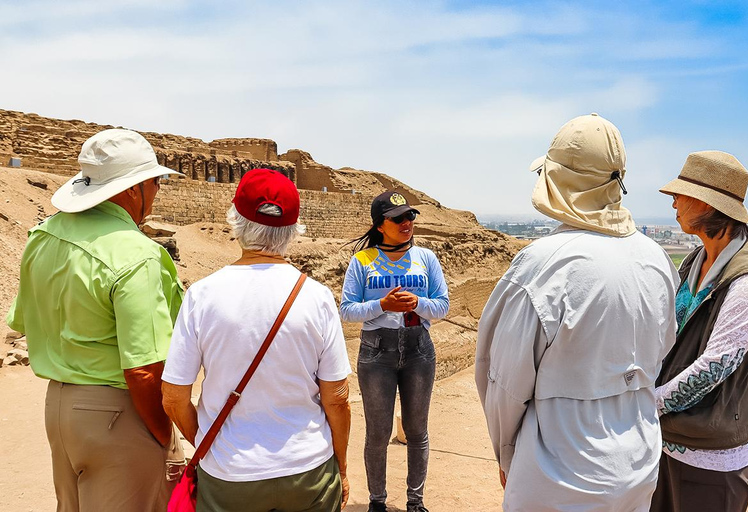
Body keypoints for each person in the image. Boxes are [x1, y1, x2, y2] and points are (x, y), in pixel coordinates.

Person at [475, 113, 679, 511]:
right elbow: (662, 350)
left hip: (559, 472)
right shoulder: (656, 259)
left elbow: (504, 383)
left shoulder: (543, 264)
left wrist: (506, 453)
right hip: (638, 461)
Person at [6, 129, 186, 511]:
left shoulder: (42, 235)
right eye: (155, 182)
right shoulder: (137, 254)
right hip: (120, 415)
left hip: (59, 409)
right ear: (132, 189)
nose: (157, 192)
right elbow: (143, 369)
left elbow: (23, 320)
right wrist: (163, 436)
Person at [161, 168, 352, 512]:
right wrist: (341, 464)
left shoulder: (202, 295)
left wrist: (208, 445)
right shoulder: (317, 297)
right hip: (307, 470)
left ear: (235, 221)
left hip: (229, 475)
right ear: (293, 230)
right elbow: (337, 398)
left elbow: (174, 397)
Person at [651, 151, 748, 512]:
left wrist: (642, 404)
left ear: (705, 203)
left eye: (680, 194)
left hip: (713, 459)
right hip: (668, 442)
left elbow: (714, 367)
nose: (672, 202)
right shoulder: (695, 261)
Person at [340, 190, 449, 512]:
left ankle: (416, 503)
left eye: (410, 216)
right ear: (380, 225)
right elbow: (347, 310)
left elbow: (442, 305)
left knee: (417, 430)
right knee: (378, 432)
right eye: (398, 218)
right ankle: (377, 502)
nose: (407, 223)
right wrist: (382, 305)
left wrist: (419, 303)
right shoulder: (362, 261)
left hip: (419, 350)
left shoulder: (426, 258)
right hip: (376, 353)